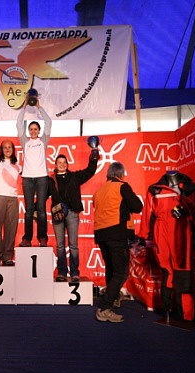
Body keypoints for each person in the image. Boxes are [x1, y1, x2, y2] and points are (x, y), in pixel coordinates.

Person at [138, 170, 195, 320]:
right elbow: (147, 213)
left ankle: (186, 314)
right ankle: (167, 309)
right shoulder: (155, 189)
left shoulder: (190, 188)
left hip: (182, 229)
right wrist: (143, 235)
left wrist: (188, 212)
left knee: (183, 269)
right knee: (167, 269)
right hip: (161, 230)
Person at [93, 162, 143, 322]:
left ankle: (113, 298)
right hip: (117, 233)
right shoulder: (122, 186)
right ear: (121, 174)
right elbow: (137, 206)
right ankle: (104, 308)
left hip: (101, 234)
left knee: (111, 268)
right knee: (121, 272)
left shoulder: (99, 191)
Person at [48, 151, 99, 282]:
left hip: (72, 213)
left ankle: (75, 272)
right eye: (59, 163)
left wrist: (93, 158)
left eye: (64, 162)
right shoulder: (50, 180)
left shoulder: (75, 177)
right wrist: (35, 209)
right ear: (55, 165)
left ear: (67, 164)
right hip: (58, 215)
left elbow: (89, 171)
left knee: (73, 245)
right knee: (60, 245)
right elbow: (43, 195)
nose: (62, 165)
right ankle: (62, 273)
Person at [17, 94, 52, 247]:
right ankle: (27, 238)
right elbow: (18, 124)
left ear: (39, 130)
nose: (33, 131)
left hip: (42, 178)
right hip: (27, 179)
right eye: (31, 129)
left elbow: (48, 122)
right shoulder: (24, 141)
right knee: (29, 210)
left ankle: (42, 237)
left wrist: (38, 107)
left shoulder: (43, 141)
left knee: (41, 209)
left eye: (35, 129)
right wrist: (25, 106)